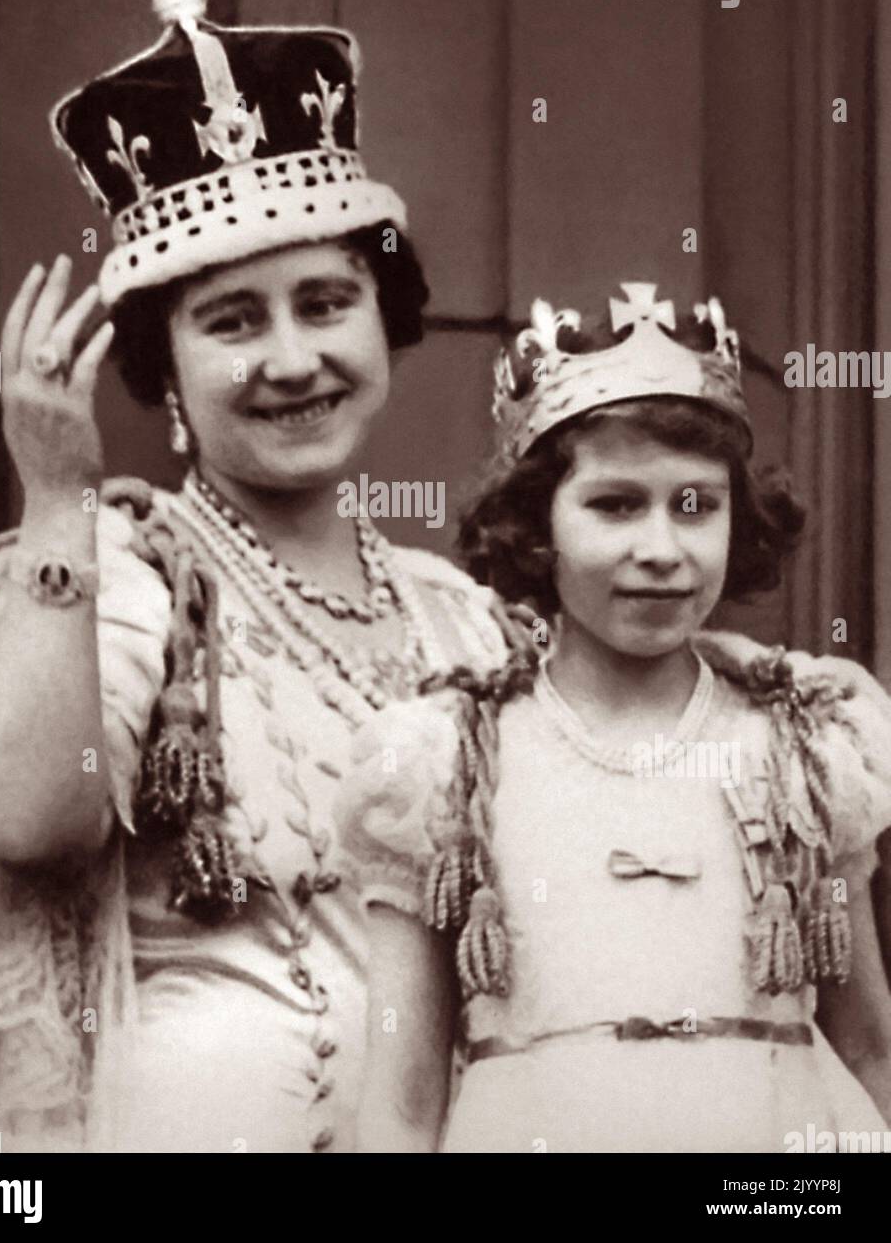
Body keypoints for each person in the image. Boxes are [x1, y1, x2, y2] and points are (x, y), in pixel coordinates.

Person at [0, 0, 507, 1153]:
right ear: (162, 372)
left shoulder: (462, 614)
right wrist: (58, 502)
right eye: (233, 321)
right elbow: (24, 826)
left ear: (383, 327)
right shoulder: (117, 576)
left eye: (328, 304)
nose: (293, 360)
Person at [339, 284, 891, 1152]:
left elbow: (868, 1046)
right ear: (534, 527)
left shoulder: (802, 743)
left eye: (695, 506)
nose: (662, 551)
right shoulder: (447, 761)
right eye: (615, 505)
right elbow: (401, 1103)